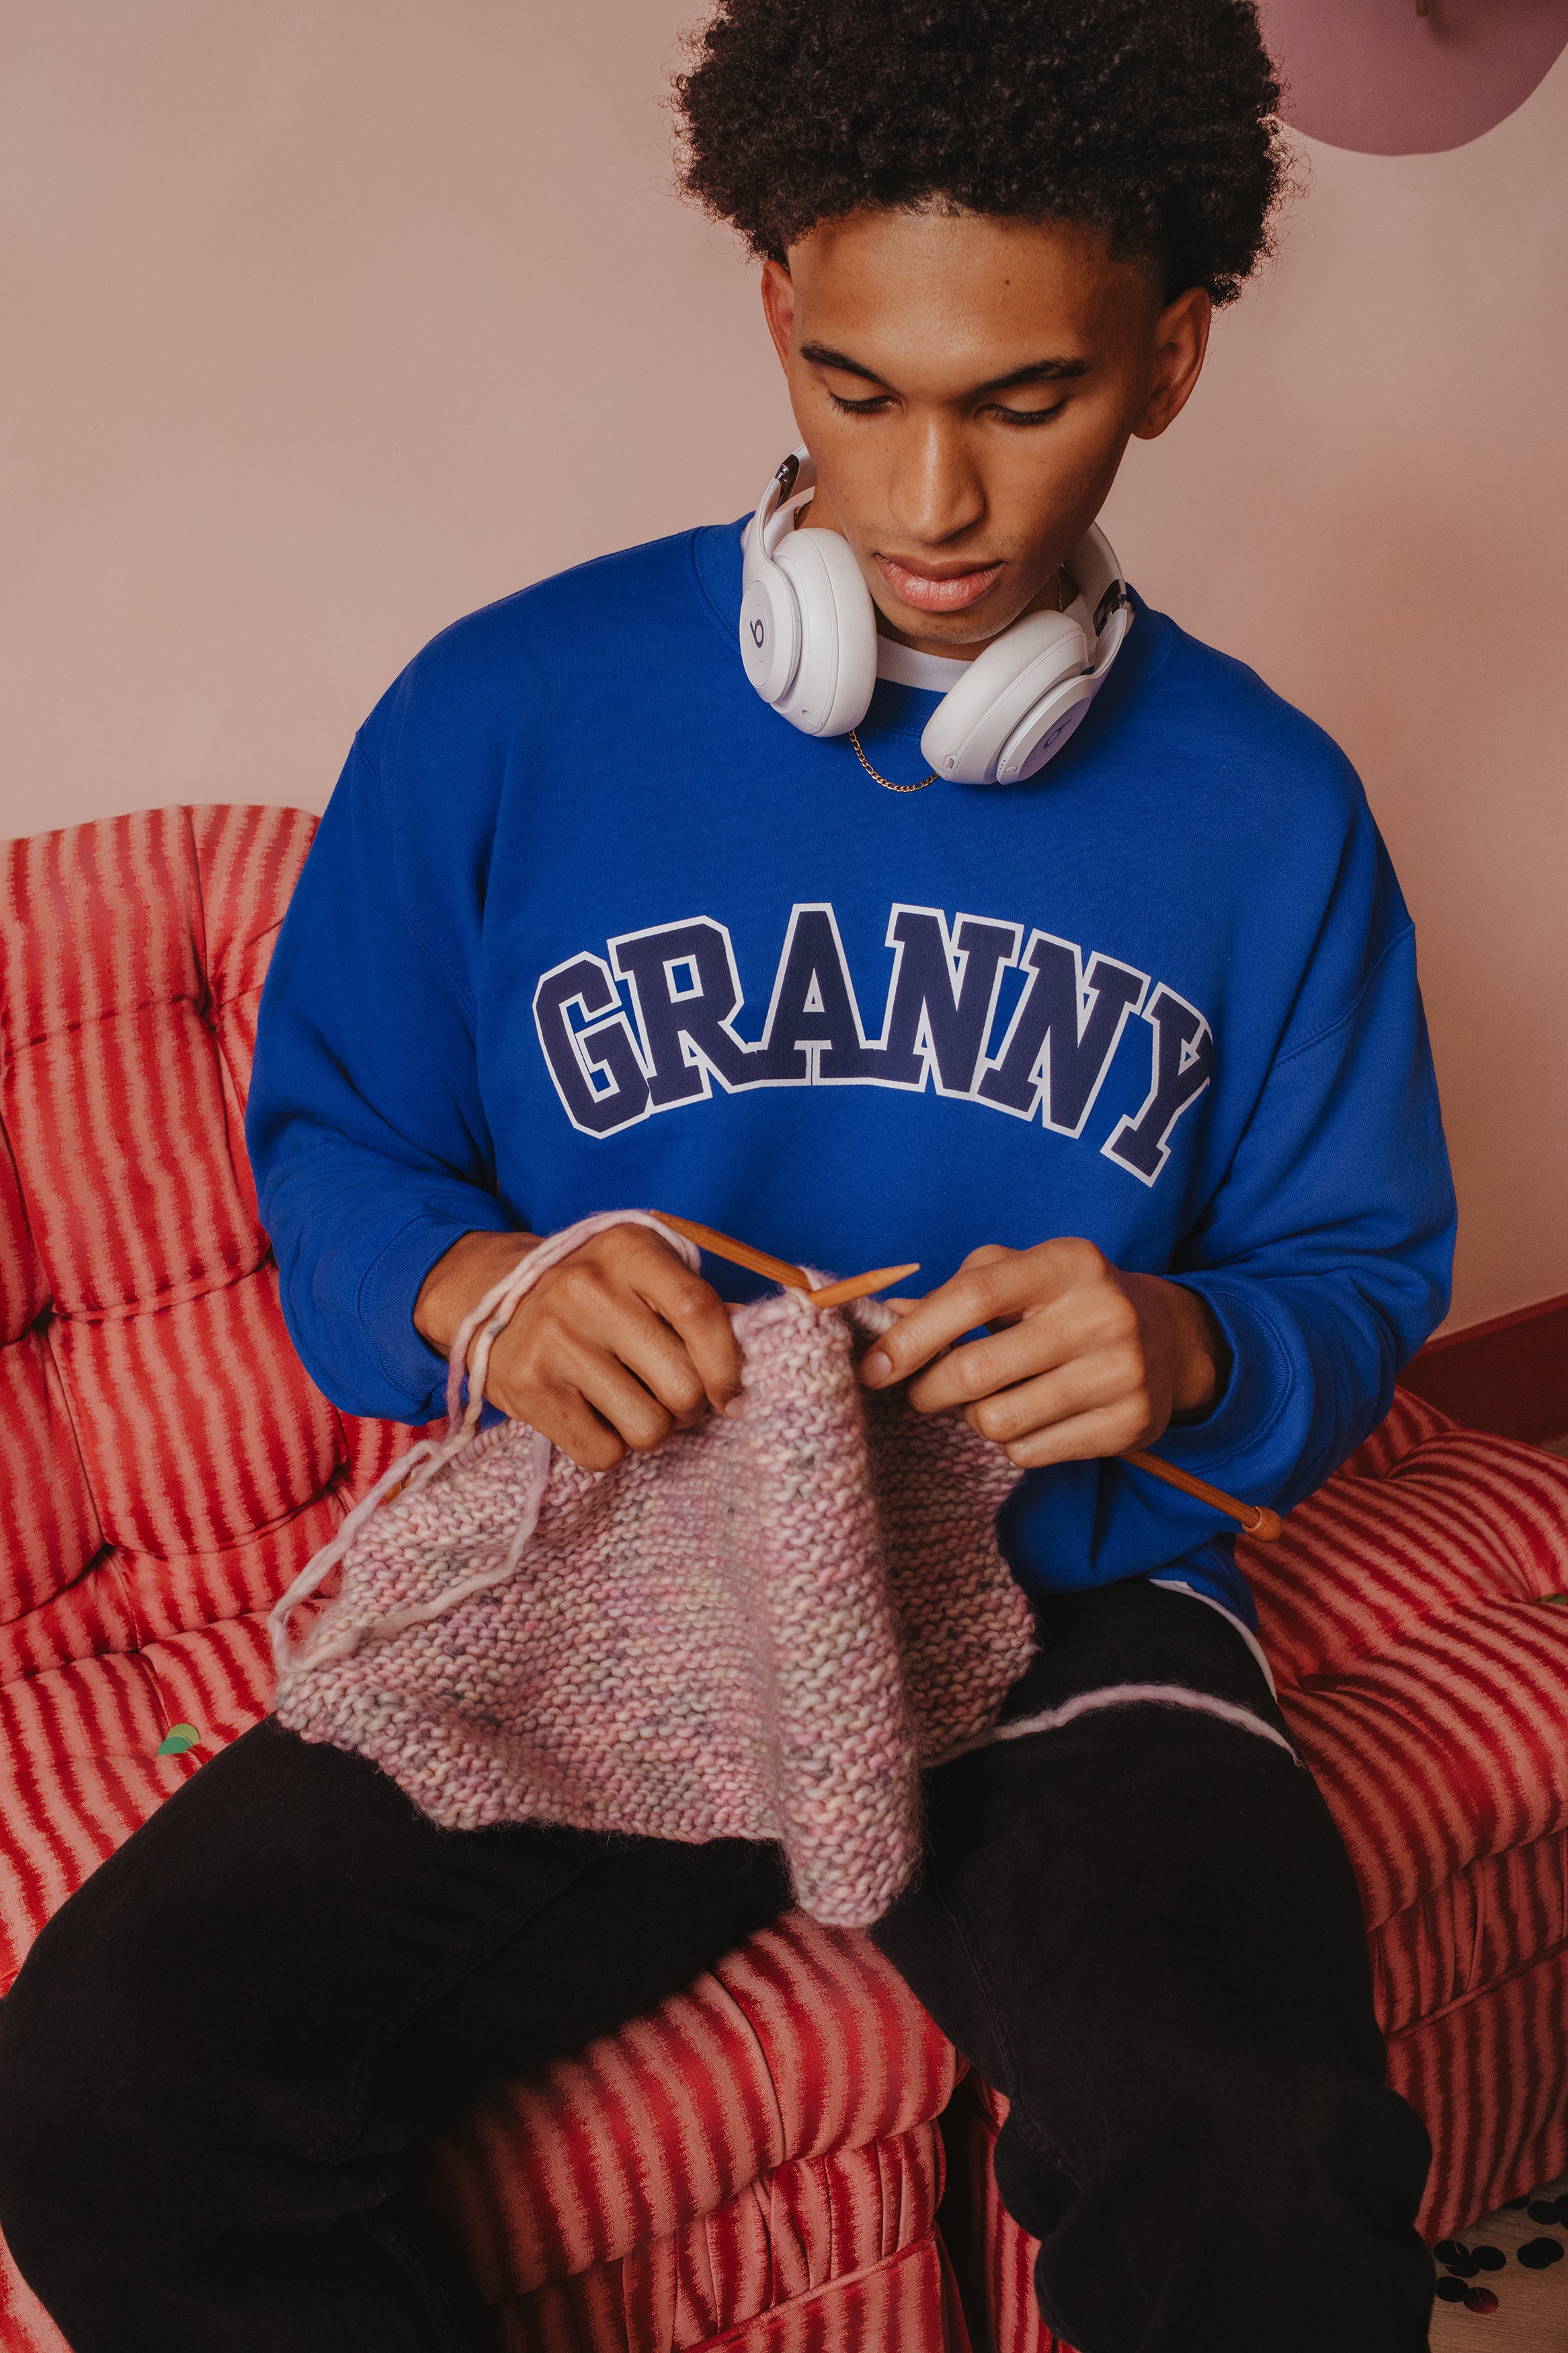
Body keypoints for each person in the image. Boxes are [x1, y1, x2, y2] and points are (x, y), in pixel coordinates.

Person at [0, 3, 1454, 2347]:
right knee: (105, 2080)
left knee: (1258, 2148)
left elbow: (1359, 1268)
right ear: (778, 307)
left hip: (1066, 1606)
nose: (930, 505)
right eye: (863, 389)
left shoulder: (1271, 813)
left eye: (1028, 399)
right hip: (628, 1560)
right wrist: (485, 1288)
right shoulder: (499, 708)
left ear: (1171, 359)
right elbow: (340, 1145)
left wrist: (1196, 1335)